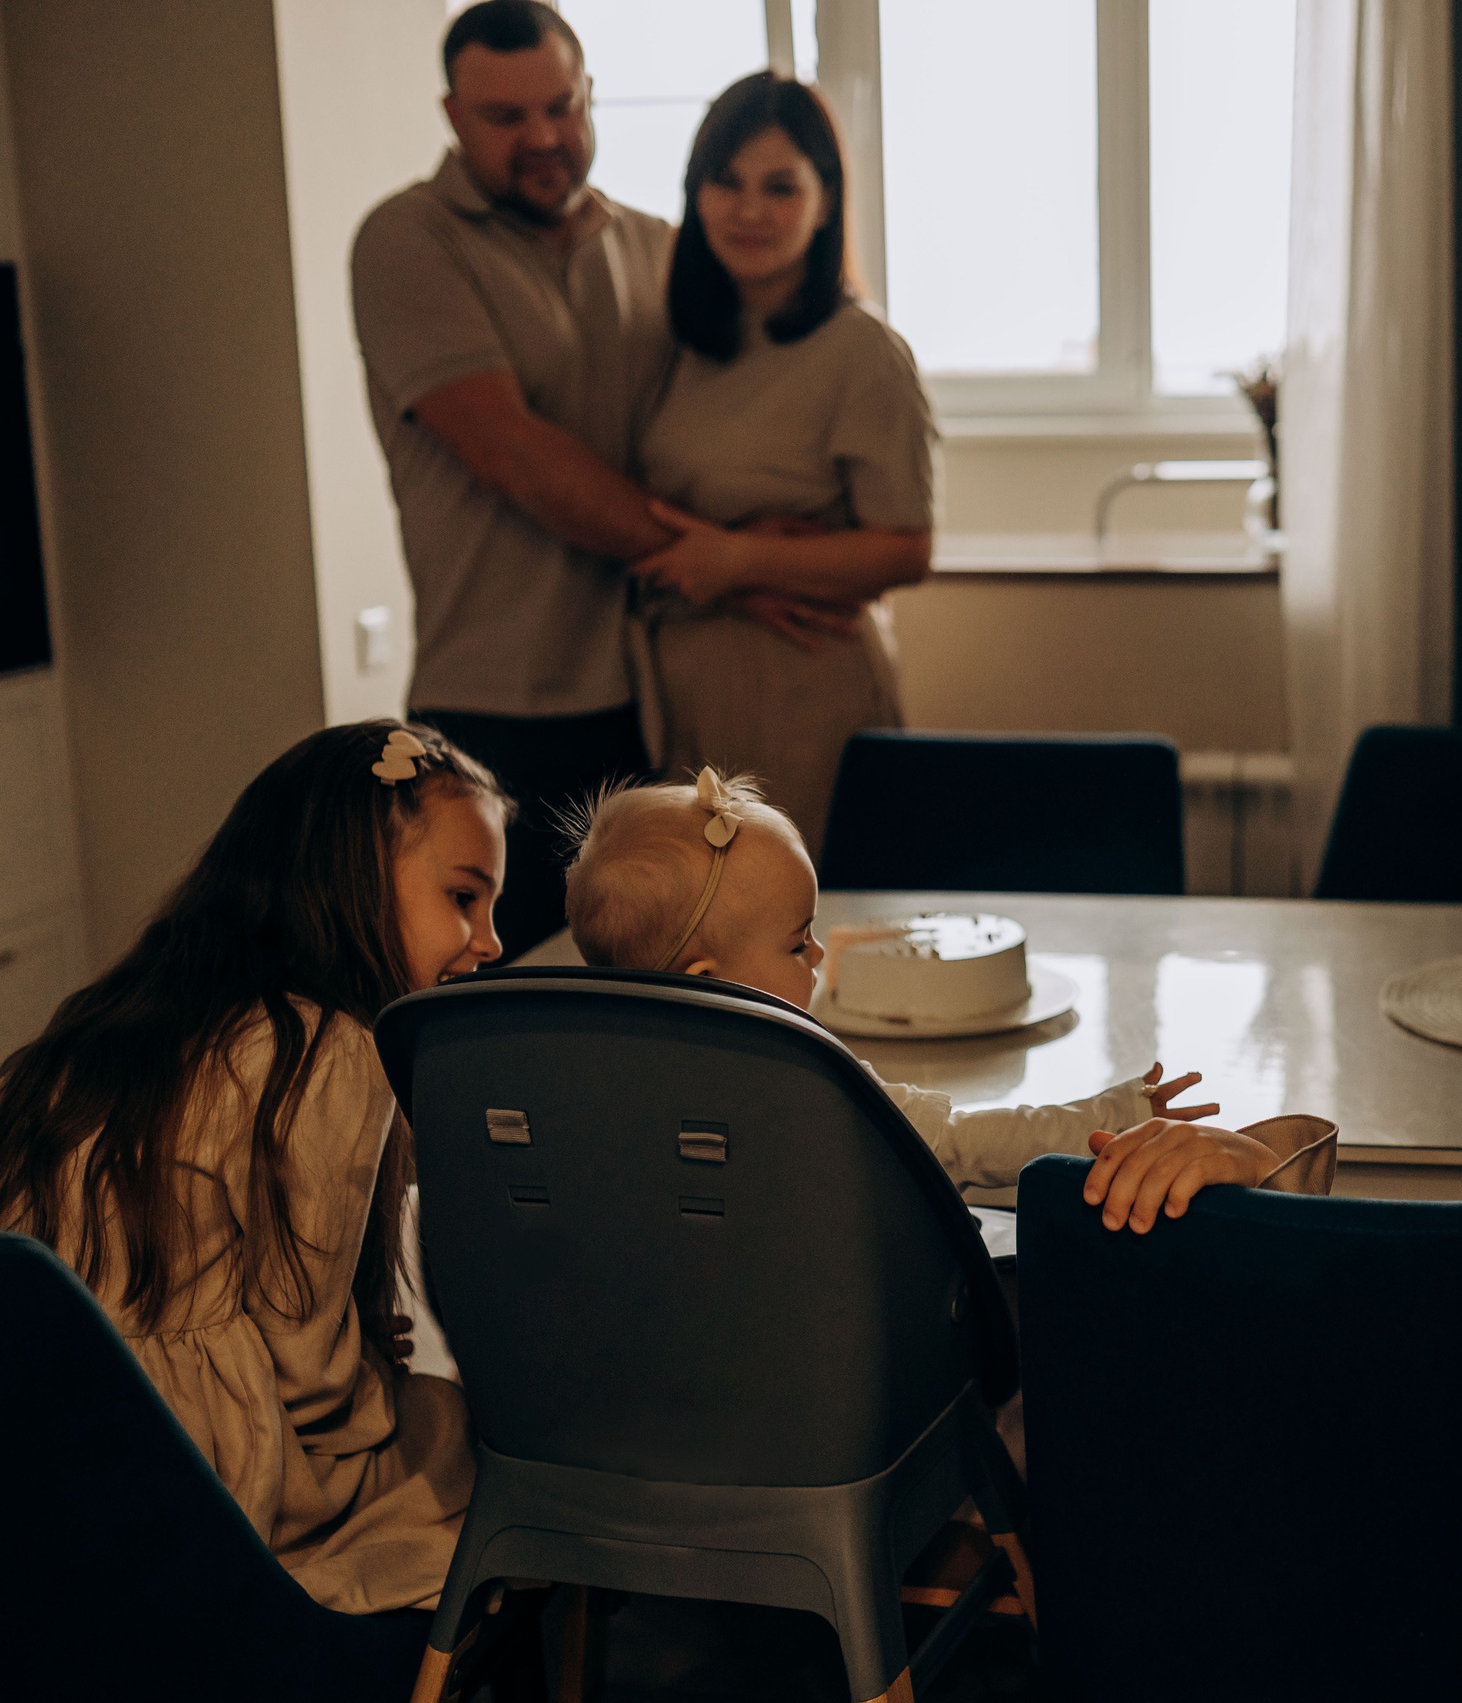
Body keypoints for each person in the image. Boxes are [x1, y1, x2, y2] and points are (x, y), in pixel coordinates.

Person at [0, 722, 509, 1615]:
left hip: (21, 1439)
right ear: (350, 876)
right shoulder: (328, 1046)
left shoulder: (129, 1021)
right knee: (482, 1454)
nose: (490, 940)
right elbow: (310, 1379)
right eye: (466, 897)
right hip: (192, 1468)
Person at [351, 5, 849, 958]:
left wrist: (802, 545)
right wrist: (734, 561)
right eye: (505, 118)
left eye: (561, 106)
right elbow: (517, 458)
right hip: (496, 705)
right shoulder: (408, 241)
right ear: (453, 115)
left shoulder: (656, 246)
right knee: (506, 996)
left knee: (659, 998)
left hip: (649, 694)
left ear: (590, 97)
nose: (542, 137)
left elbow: (786, 353)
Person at [561, 770, 1269, 1213]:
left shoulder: (585, 1095)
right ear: (709, 984)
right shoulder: (819, 1092)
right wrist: (1116, 1112)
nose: (816, 954)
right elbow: (972, 1143)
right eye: (796, 940)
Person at [625, 74, 938, 857]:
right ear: (695, 194)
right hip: (681, 688)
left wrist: (737, 560)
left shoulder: (861, 351)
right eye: (725, 182)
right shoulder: (678, 344)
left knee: (796, 937)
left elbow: (907, 547)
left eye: (780, 186)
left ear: (826, 201)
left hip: (805, 690)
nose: (750, 210)